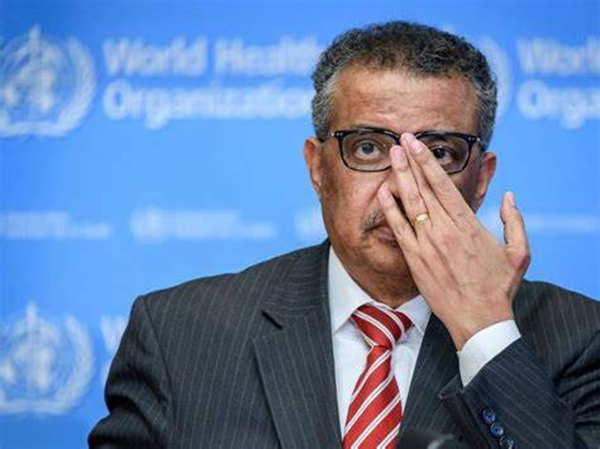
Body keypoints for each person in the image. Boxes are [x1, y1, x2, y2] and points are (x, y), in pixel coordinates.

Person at [89, 21, 600, 448]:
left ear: (481, 180)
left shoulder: (579, 339)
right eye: (369, 149)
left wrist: (485, 332)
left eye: (438, 154)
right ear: (318, 168)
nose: (399, 187)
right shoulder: (178, 334)